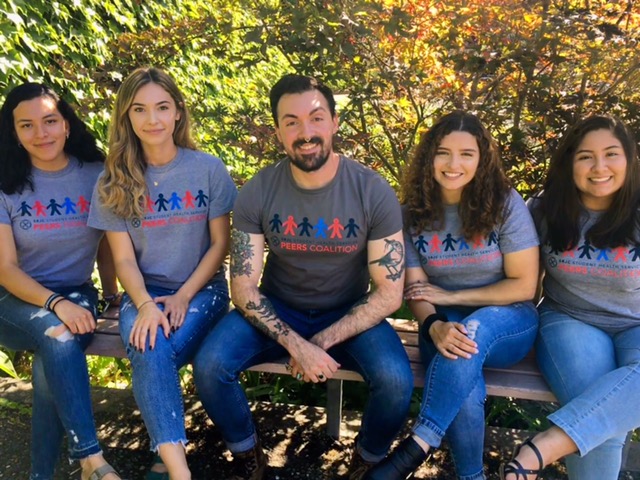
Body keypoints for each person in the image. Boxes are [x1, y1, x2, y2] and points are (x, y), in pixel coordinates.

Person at [192, 73, 414, 480]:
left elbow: (388, 292)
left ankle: (366, 462)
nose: (305, 132)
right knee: (210, 365)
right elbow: (241, 285)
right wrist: (293, 343)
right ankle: (248, 457)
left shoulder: (371, 190)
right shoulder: (259, 190)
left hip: (349, 312)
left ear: (334, 123)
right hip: (279, 309)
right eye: (291, 121)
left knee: (396, 381)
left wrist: (321, 342)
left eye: (315, 118)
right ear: (278, 131)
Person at [365, 111, 540, 480]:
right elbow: (416, 289)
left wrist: (450, 297)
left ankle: (416, 448)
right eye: (443, 152)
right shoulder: (410, 213)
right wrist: (433, 326)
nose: (453, 164)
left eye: (467, 154)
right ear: (429, 157)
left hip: (510, 319)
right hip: (444, 323)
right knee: (463, 369)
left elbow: (524, 286)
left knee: (473, 331)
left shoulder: (505, 204)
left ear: (483, 158)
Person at [88, 67, 237, 480]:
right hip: (144, 290)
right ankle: (178, 471)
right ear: (126, 117)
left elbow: (220, 246)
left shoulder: (208, 169)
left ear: (177, 113)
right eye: (139, 109)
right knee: (150, 342)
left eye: (161, 107)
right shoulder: (113, 180)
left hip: (202, 289)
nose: (151, 119)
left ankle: (167, 460)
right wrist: (145, 305)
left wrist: (184, 295)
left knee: (154, 350)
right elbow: (123, 261)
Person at [501, 115, 640, 480]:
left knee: (597, 416)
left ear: (629, 158)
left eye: (611, 154)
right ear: (569, 163)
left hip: (636, 324)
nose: (599, 168)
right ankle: (537, 453)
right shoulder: (546, 210)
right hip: (569, 320)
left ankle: (539, 450)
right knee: (599, 415)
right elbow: (524, 281)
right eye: (585, 157)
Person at [0, 83, 121, 480]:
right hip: (12, 301)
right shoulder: (5, 183)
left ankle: (42, 475)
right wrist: (56, 304)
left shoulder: (95, 174)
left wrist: (112, 291)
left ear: (66, 124)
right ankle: (91, 458)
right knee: (58, 335)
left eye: (50, 121)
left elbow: (106, 239)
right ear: (14, 133)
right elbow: (5, 269)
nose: (42, 133)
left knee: (52, 361)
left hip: (76, 294)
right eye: (27, 125)